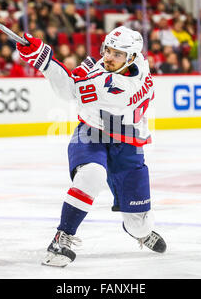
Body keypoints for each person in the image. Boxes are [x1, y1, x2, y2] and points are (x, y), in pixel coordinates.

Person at [16, 26, 167, 267]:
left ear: (132, 58)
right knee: (91, 175)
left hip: (129, 143)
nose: (108, 57)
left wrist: (44, 58)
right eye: (108, 50)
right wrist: (43, 60)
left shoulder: (139, 68)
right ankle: (62, 237)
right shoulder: (99, 78)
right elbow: (68, 89)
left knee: (139, 224)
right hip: (92, 133)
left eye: (117, 54)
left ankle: (140, 231)